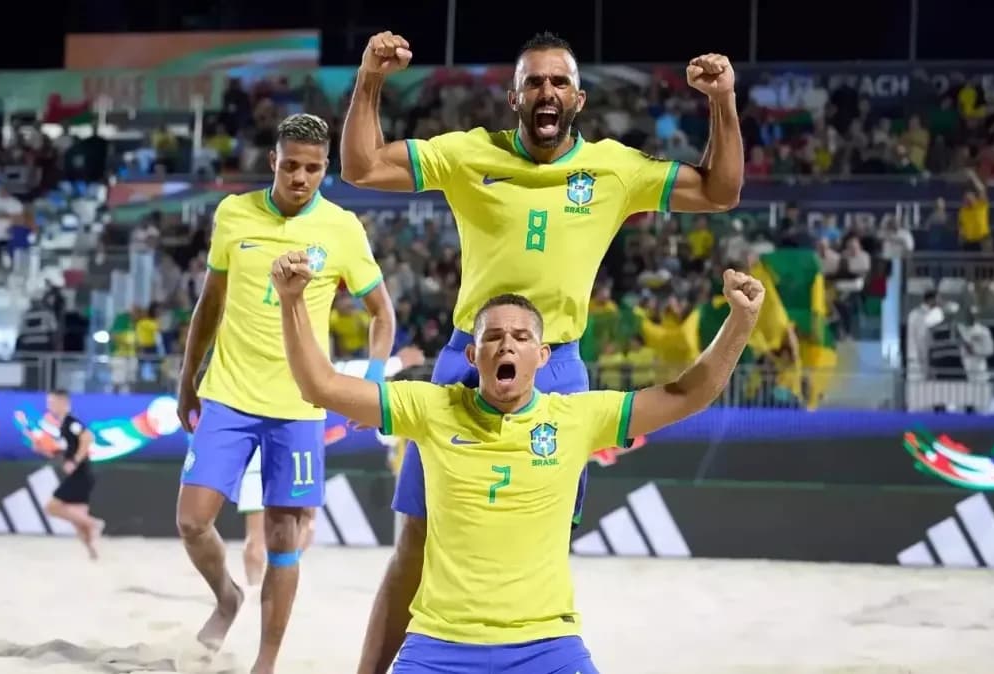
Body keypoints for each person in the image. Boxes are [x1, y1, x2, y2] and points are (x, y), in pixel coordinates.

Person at [340, 30, 743, 670]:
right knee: (414, 542)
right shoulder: (469, 155)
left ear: (578, 98)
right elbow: (361, 167)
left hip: (557, 368)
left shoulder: (615, 168)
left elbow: (720, 192)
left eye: (559, 82)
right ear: (514, 97)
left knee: (545, 540)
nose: (547, 92)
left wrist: (721, 102)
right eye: (535, 82)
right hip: (464, 364)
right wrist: (369, 78)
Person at [268, 251, 762, 674]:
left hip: (547, 647)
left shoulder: (578, 417)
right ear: (473, 353)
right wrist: (291, 303)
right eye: (494, 336)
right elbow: (320, 386)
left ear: (543, 355)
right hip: (439, 647)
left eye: (522, 337)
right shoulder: (431, 408)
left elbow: (686, 392)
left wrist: (740, 321)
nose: (507, 344)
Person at [173, 113, 395, 673]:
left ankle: (265, 663)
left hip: (299, 405)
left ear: (326, 170)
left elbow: (382, 314)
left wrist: (367, 385)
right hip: (227, 393)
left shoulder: (342, 228)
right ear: (273, 161)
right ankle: (227, 595)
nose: (301, 177)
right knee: (192, 521)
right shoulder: (234, 213)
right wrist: (186, 378)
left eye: (313, 168)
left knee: (282, 538)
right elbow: (210, 304)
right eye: (291, 165)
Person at [236, 349, 425, 587]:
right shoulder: (304, 359)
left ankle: (253, 590)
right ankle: (278, 578)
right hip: (294, 446)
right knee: (304, 524)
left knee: (258, 536)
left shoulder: (252, 363)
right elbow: (345, 372)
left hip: (259, 447)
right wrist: (396, 362)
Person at [33, 389, 104, 560]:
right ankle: (94, 555)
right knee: (78, 521)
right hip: (82, 474)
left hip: (80, 475)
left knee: (52, 507)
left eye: (51, 402)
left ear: (62, 402)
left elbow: (88, 437)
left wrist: (75, 461)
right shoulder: (64, 425)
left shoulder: (70, 422)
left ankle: (95, 524)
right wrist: (45, 449)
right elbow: (67, 448)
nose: (49, 406)